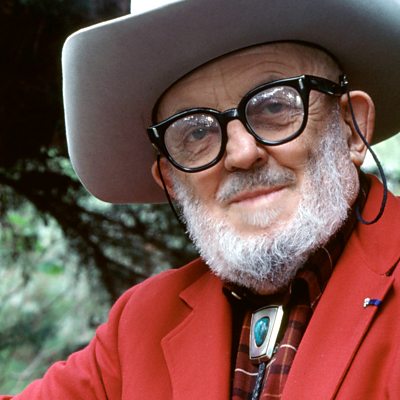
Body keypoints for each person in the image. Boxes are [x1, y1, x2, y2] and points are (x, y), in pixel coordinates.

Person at [2, 0, 400, 398]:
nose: (241, 153)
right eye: (196, 133)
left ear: (350, 128)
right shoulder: (141, 324)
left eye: (274, 106)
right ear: (172, 182)